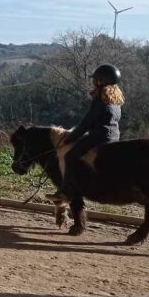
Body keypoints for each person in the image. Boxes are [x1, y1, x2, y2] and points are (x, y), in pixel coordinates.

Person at [51, 63, 124, 204]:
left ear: (100, 81)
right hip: (114, 137)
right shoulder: (116, 100)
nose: (93, 82)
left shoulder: (100, 100)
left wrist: (68, 139)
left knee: (69, 156)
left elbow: (86, 124)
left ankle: (65, 192)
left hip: (99, 138)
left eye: (95, 79)